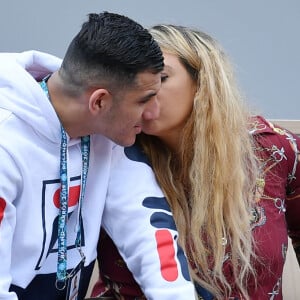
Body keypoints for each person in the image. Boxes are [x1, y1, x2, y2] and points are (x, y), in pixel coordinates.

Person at [92, 24, 300, 299]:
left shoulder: (277, 151)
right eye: (130, 80)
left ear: (203, 83)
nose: (142, 89)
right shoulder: (107, 157)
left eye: (161, 77)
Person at [0, 11, 164, 300]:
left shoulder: (108, 132)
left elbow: (148, 229)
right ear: (99, 101)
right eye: (144, 101)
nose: (153, 114)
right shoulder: (6, 145)